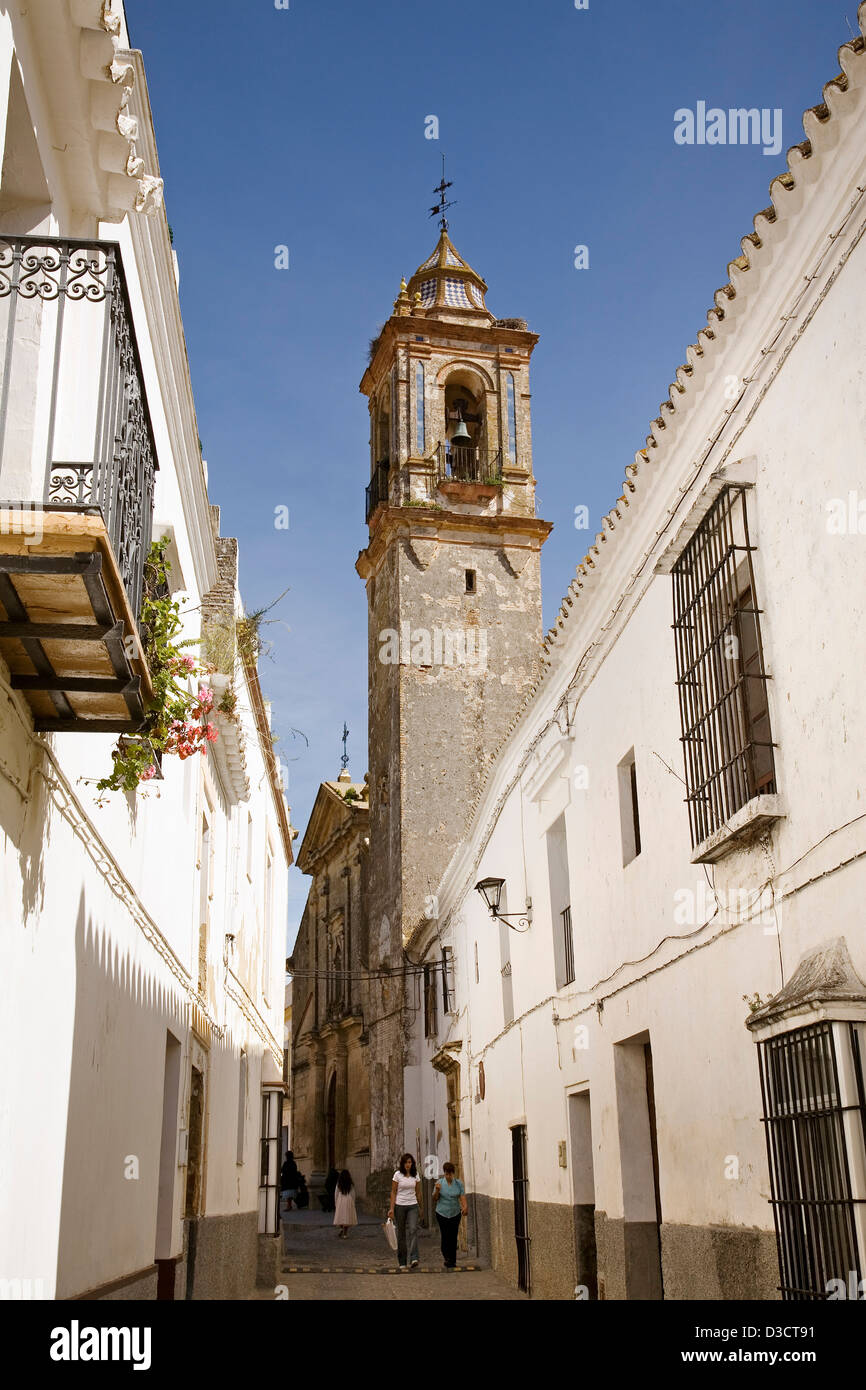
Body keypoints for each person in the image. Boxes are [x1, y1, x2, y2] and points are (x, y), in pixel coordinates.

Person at [388, 1153, 423, 1270]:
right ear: (403, 1164)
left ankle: (414, 1257)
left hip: (413, 1205)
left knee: (413, 1229)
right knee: (401, 1233)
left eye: (410, 1162)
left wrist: (420, 1207)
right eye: (406, 1162)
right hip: (400, 1206)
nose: (408, 1165)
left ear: (412, 1164)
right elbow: (393, 1192)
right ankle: (402, 1260)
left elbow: (418, 1192)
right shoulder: (397, 1175)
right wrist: (391, 1208)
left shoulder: (416, 1175)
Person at [433, 1162, 468, 1269]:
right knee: (445, 1235)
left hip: (455, 1213)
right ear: (444, 1173)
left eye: (450, 1174)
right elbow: (435, 1198)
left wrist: (465, 1206)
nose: (448, 1176)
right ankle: (446, 1256)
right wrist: (437, 1190)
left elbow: (462, 1196)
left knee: (453, 1236)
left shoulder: (458, 1184)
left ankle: (452, 1260)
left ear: (453, 1173)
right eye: (447, 1174)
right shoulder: (439, 1183)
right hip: (442, 1213)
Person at [333, 1170, 357, 1239]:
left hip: (341, 1199)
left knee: (340, 1215)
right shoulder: (350, 1183)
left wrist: (336, 1202)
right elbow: (353, 1193)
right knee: (347, 1216)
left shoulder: (339, 1183)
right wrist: (353, 1202)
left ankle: (341, 1228)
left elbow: (336, 1193)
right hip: (348, 1199)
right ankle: (345, 1234)